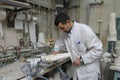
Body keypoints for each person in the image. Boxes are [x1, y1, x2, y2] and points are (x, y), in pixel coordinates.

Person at [52, 13, 103, 80]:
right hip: (77, 71)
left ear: (68, 22)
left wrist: (82, 59)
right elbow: (59, 42)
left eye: (62, 28)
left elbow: (98, 49)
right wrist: (56, 50)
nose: (62, 30)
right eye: (60, 29)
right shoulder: (65, 33)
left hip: (88, 72)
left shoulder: (84, 30)